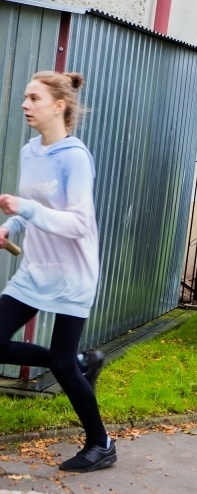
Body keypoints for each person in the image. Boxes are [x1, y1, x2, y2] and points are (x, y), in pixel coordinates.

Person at [0, 71, 116, 472]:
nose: (25, 104)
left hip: (72, 274)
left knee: (62, 365)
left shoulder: (75, 157)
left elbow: (78, 223)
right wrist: (9, 226)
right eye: (26, 97)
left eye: (33, 98)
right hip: (35, 270)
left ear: (58, 106)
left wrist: (25, 210)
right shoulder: (31, 151)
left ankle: (101, 443)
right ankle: (79, 364)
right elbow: (28, 206)